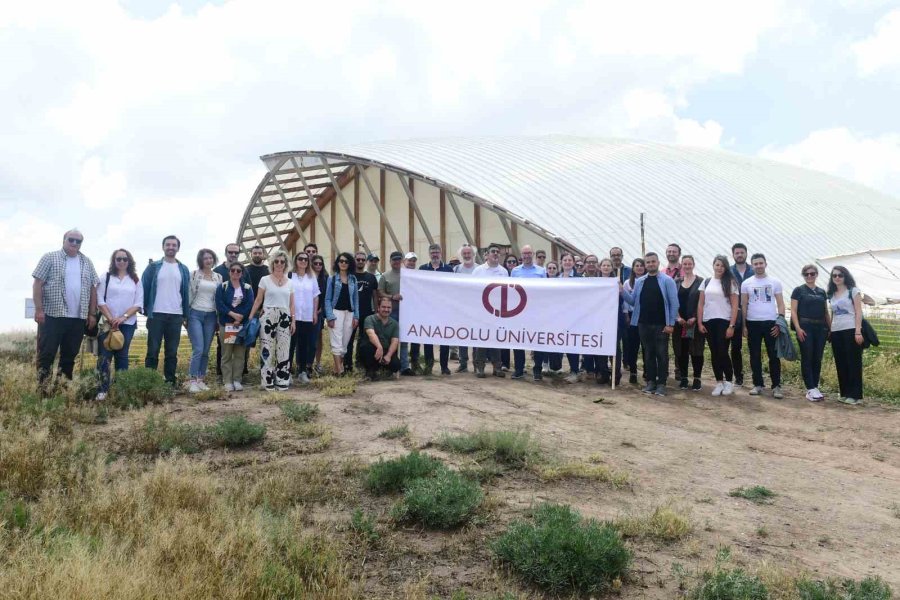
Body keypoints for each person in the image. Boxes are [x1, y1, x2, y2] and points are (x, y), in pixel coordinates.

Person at [32, 229, 100, 390]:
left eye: (78, 241)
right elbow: (38, 284)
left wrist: (92, 314)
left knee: (69, 356)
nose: (74, 244)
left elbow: (93, 288)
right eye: (71, 240)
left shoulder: (86, 262)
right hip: (52, 315)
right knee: (47, 354)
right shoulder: (49, 257)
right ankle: (43, 390)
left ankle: (62, 389)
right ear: (64, 240)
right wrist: (39, 310)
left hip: (77, 318)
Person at [622, 252, 679, 396]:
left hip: (661, 325)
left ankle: (661, 384)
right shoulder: (641, 281)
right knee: (648, 354)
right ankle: (651, 382)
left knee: (661, 354)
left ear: (658, 263)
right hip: (643, 323)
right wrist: (621, 291)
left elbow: (674, 303)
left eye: (653, 262)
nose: (650, 264)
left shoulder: (667, 281)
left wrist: (671, 323)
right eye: (648, 262)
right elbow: (633, 301)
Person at [142, 235, 191, 386]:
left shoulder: (183, 269)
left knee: (171, 352)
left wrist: (185, 315)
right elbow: (144, 287)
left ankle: (170, 382)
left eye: (174, 245)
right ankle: (149, 382)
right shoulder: (153, 267)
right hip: (156, 314)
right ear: (163, 247)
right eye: (168, 245)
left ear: (178, 248)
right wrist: (145, 310)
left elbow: (186, 293)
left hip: (176, 315)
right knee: (153, 350)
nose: (171, 247)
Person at [95, 249, 142, 400]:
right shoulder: (106, 277)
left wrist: (123, 317)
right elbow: (99, 299)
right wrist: (110, 318)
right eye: (118, 259)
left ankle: (121, 388)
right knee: (105, 356)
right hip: (107, 323)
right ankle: (102, 389)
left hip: (127, 323)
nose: (122, 262)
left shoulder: (135, 279)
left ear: (129, 261)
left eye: (124, 259)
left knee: (122, 356)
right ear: (113, 261)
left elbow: (138, 303)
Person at [248, 250, 295, 391]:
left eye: (282, 261)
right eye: (277, 261)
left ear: (286, 264)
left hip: (285, 315)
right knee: (267, 349)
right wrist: (251, 317)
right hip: (268, 315)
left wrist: (293, 321)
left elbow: (292, 304)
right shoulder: (265, 280)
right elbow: (258, 300)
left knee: (284, 348)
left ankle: (282, 380)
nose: (279, 264)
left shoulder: (290, 282)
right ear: (272, 263)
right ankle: (267, 380)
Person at [741, 253, 785, 399]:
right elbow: (744, 304)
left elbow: (780, 303)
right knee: (755, 355)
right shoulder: (746, 283)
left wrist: (780, 322)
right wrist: (744, 325)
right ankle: (758, 384)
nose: (758, 266)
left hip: (771, 322)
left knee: (774, 355)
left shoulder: (775, 282)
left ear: (766, 264)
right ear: (752, 265)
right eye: (756, 263)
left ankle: (776, 386)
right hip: (753, 323)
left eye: (761, 263)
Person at [697, 256, 739, 397]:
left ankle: (728, 382)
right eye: (717, 264)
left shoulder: (730, 283)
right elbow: (701, 304)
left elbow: (734, 306)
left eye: (722, 265)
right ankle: (719, 382)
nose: (719, 267)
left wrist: (731, 326)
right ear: (713, 265)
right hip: (709, 321)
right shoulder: (706, 282)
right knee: (714, 353)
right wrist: (700, 322)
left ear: (725, 267)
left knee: (722, 351)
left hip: (724, 321)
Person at [791, 264, 830, 402]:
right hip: (805, 327)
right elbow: (794, 311)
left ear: (816, 275)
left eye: (812, 274)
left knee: (817, 357)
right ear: (803, 275)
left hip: (820, 328)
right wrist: (798, 328)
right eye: (806, 274)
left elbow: (825, 311)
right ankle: (810, 387)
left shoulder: (821, 292)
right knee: (807, 356)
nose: (809, 276)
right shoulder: (798, 291)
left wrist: (829, 328)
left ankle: (815, 385)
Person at [827, 266, 865, 405]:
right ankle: (844, 393)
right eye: (834, 275)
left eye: (840, 275)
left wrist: (858, 331)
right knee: (841, 362)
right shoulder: (831, 294)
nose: (837, 278)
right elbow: (832, 313)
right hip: (837, 331)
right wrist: (830, 330)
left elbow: (858, 312)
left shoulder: (853, 291)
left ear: (845, 276)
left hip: (851, 329)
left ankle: (855, 395)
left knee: (853, 362)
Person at [187, 249, 222, 393]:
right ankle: (192, 380)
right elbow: (188, 294)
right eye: (205, 258)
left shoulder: (218, 277)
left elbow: (219, 298)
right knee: (198, 348)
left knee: (206, 350)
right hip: (195, 313)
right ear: (200, 260)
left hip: (211, 315)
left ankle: (201, 380)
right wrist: (186, 316)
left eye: (211, 258)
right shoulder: (194, 274)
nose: (208, 260)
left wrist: (219, 319)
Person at [215, 261, 254, 392]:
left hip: (241, 325)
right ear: (229, 272)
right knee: (226, 353)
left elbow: (249, 304)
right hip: (227, 325)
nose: (235, 273)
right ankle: (227, 381)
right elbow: (219, 304)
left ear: (242, 273)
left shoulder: (247, 288)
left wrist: (240, 317)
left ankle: (237, 380)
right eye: (233, 270)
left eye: (238, 271)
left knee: (239, 353)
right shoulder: (223, 286)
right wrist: (232, 315)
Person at [213, 243, 249, 380]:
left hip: (241, 322)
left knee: (240, 350)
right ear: (225, 253)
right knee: (225, 349)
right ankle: (223, 375)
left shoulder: (245, 275)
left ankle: (239, 376)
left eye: (236, 253)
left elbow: (249, 299)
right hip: (225, 320)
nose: (233, 255)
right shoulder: (218, 272)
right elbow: (218, 300)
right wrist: (231, 315)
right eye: (230, 252)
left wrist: (241, 317)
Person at [510, 245, 546, 381]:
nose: (526, 256)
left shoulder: (541, 271)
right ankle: (519, 369)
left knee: (537, 340)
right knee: (518, 339)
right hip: (519, 311)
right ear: (521, 255)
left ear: (533, 254)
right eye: (524, 253)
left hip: (536, 311)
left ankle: (537, 369)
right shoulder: (515, 271)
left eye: (529, 253)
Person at [472, 244, 508, 378]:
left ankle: (497, 367)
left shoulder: (504, 271)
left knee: (496, 338)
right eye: (493, 251)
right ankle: (479, 367)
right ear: (486, 254)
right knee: (482, 338)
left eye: (498, 252)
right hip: (481, 310)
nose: (496, 254)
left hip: (498, 310)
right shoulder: (478, 271)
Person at [419, 243, 454, 375]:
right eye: (432, 252)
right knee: (428, 338)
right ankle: (429, 366)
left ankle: (444, 366)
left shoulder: (449, 269)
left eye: (437, 252)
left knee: (444, 338)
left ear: (441, 253)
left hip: (444, 310)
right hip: (427, 309)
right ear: (429, 254)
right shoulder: (422, 268)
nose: (435, 254)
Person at [324, 252, 360, 376]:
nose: (343, 263)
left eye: (346, 261)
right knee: (336, 341)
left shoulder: (353, 279)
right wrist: (330, 316)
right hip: (336, 313)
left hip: (349, 313)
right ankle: (340, 370)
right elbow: (327, 299)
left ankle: (336, 368)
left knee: (345, 343)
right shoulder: (332, 279)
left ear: (350, 264)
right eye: (341, 261)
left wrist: (356, 316)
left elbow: (355, 299)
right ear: (337, 263)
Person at [673, 255, 705, 391]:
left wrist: (696, 318)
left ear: (693, 264)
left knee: (697, 350)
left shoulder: (701, 281)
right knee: (681, 350)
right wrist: (677, 317)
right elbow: (672, 301)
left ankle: (697, 378)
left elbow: (703, 302)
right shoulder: (676, 282)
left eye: (689, 264)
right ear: (681, 265)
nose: (687, 266)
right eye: (684, 264)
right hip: (679, 322)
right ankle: (684, 378)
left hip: (694, 322)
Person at [288, 251, 319, 385]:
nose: (303, 261)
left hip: (306, 315)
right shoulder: (289, 276)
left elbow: (315, 296)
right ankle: (287, 372)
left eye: (306, 259)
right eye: (300, 259)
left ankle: (302, 372)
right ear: (296, 261)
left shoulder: (311, 277)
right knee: (290, 344)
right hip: (292, 316)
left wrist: (314, 313)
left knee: (304, 345)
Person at [345, 251, 378, 372]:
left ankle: (361, 363)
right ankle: (347, 365)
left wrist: (376, 311)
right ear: (354, 260)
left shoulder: (371, 277)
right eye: (358, 259)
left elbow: (375, 296)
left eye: (362, 260)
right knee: (349, 339)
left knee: (364, 340)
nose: (360, 261)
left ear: (365, 262)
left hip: (367, 313)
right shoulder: (349, 276)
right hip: (351, 313)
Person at [597, 258, 624, 386]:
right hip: (599, 319)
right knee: (601, 345)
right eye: (604, 265)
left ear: (612, 268)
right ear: (600, 267)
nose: (606, 267)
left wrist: (620, 289)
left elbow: (623, 300)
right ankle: (603, 373)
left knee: (615, 348)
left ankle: (616, 374)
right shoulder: (595, 283)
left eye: (608, 265)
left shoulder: (617, 282)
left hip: (614, 318)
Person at [360, 296, 401, 379]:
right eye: (383, 307)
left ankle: (383, 368)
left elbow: (395, 341)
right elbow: (371, 334)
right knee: (366, 348)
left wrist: (389, 355)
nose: (386, 309)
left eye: (389, 307)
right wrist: (379, 347)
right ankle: (370, 371)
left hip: (386, 350)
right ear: (378, 308)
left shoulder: (395, 323)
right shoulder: (369, 319)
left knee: (396, 365)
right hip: (373, 349)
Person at [730, 243, 753, 386]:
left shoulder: (754, 270)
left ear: (746, 253)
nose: (739, 255)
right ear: (733, 255)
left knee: (753, 346)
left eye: (742, 252)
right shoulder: (729, 271)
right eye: (737, 253)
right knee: (735, 346)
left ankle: (757, 377)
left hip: (753, 312)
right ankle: (738, 376)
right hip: (735, 313)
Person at [453, 244, 478, 372]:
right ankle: (463, 363)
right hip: (461, 307)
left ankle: (476, 363)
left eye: (469, 253)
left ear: (473, 255)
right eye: (465, 254)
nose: (467, 256)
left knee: (475, 335)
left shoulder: (479, 269)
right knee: (462, 335)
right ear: (461, 256)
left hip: (476, 307)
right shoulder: (457, 269)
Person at [559, 253, 583, 383]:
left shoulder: (580, 278)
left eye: (570, 260)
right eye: (565, 260)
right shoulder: (556, 278)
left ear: (573, 263)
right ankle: (569, 370)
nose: (567, 262)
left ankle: (575, 371)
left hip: (574, 316)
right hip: (560, 316)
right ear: (561, 262)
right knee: (564, 343)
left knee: (573, 343)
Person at [622, 258, 646, 385]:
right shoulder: (627, 283)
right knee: (633, 346)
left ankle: (647, 370)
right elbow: (626, 301)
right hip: (632, 316)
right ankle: (633, 372)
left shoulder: (648, 280)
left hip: (645, 316)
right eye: (637, 266)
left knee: (646, 346)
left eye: (641, 265)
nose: (639, 268)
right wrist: (626, 315)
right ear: (633, 268)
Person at [398, 252, 422, 374]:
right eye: (409, 261)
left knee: (416, 338)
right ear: (404, 262)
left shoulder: (419, 275)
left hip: (416, 311)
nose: (411, 263)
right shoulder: (400, 274)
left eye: (413, 261)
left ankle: (415, 363)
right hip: (402, 311)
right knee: (403, 340)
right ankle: (404, 366)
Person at [311, 255, 329, 374]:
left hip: (320, 311)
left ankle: (318, 363)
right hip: (306, 312)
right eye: (315, 263)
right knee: (307, 339)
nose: (318, 265)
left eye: (320, 263)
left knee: (318, 337)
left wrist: (321, 308)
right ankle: (307, 363)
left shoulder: (325, 278)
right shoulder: (306, 276)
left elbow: (327, 295)